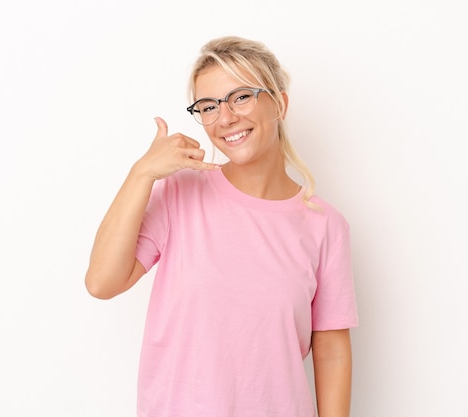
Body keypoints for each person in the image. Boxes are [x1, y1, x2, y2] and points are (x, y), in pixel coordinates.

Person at [85, 35, 358, 417]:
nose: (225, 117)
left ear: (279, 103)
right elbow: (102, 282)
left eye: (241, 96)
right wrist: (142, 173)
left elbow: (330, 352)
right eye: (208, 106)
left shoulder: (325, 226)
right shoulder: (180, 193)